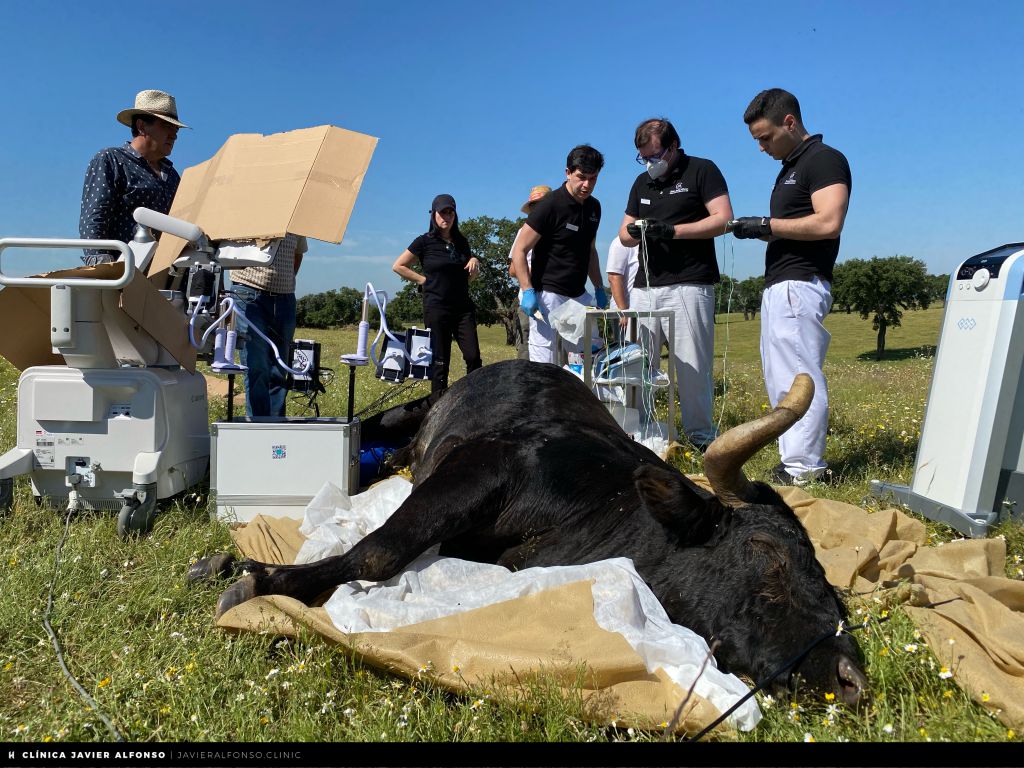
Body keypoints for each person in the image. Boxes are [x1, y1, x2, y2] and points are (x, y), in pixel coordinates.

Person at [731, 88, 852, 486]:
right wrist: (758, 232)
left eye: (765, 137)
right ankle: (793, 461)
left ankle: (805, 468)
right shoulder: (788, 168)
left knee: (801, 375)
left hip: (801, 283)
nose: (761, 147)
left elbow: (828, 222)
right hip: (780, 283)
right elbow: (794, 227)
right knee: (782, 380)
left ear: (790, 122)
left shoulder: (824, 159)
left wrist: (766, 225)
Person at [618, 118, 733, 451]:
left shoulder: (701, 170)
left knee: (691, 363)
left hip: (690, 283)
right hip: (646, 286)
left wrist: (673, 231)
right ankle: (639, 432)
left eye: (654, 156)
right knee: (636, 362)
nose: (650, 164)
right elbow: (623, 233)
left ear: (672, 147)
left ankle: (700, 436)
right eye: (643, 158)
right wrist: (635, 231)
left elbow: (723, 218)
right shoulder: (641, 183)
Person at [510, 145, 608, 365]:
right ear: (568, 173)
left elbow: (590, 250)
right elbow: (520, 249)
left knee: (588, 364)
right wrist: (527, 290)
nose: (587, 185)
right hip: (548, 297)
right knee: (545, 369)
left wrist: (599, 287)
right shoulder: (550, 205)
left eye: (593, 179)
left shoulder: (594, 208)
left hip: (579, 296)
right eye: (581, 177)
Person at [79, 89, 187, 265]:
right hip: (122, 272)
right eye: (167, 126)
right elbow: (94, 218)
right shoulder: (111, 160)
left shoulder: (173, 176)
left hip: (162, 275)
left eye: (176, 129)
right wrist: (105, 270)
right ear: (142, 126)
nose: (174, 135)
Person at [393, 194, 482, 394]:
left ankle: (475, 398)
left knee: (473, 357)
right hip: (436, 307)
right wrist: (422, 280)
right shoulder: (424, 242)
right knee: (440, 361)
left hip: (462, 308)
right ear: (433, 214)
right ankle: (437, 406)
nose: (446, 217)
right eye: (442, 212)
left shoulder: (462, 242)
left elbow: (466, 272)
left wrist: (474, 261)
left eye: (450, 212)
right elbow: (398, 265)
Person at [231, 234, 308, 417]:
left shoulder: (296, 220)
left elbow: (298, 254)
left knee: (280, 368)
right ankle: (258, 426)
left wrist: (283, 282)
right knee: (256, 365)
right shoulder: (249, 212)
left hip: (285, 296)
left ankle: (275, 426)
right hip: (248, 292)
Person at [508, 184, 551, 360]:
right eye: (534, 206)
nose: (537, 209)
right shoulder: (523, 232)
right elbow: (512, 270)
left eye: (542, 204)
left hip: (557, 300)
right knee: (528, 351)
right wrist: (539, 269)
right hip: (530, 303)